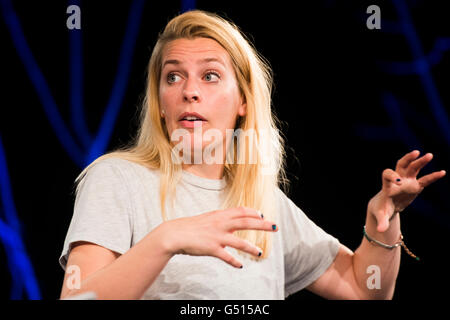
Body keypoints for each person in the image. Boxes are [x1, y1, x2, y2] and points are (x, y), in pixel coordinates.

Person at [58, 10, 446, 300]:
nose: (188, 91)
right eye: (172, 76)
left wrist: (384, 218)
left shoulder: (262, 203)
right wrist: (166, 239)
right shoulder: (116, 179)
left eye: (209, 75)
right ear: (160, 102)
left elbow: (365, 289)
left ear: (243, 100)